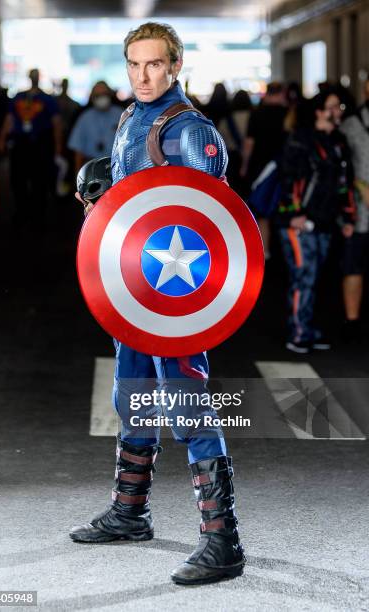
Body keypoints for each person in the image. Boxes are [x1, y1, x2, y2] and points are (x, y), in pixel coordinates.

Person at [70, 22, 246, 586]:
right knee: (133, 396)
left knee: (189, 406)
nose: (143, 76)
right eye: (134, 65)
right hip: (134, 293)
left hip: (175, 297)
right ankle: (130, 512)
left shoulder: (190, 128)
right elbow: (139, 201)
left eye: (154, 65)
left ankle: (223, 541)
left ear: (175, 65)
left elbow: (209, 221)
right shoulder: (132, 118)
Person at [276, 90, 355, 353]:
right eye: (333, 107)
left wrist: (347, 215)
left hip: (325, 221)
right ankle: (298, 332)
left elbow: (344, 183)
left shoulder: (338, 142)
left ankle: (307, 327)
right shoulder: (301, 139)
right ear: (319, 111)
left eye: (340, 106)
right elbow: (288, 179)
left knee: (317, 276)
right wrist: (294, 213)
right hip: (299, 222)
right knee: (304, 277)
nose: (339, 111)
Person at [0, 68, 63, 229]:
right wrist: (1, 140)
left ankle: (38, 215)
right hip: (21, 144)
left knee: (39, 181)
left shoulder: (47, 99)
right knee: (18, 180)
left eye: (35, 76)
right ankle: (21, 212)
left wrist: (58, 147)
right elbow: (9, 120)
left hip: (41, 144)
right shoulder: (19, 97)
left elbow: (56, 124)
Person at [240, 82, 289, 258]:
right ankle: (285, 251)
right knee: (282, 207)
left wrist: (244, 166)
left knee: (261, 209)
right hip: (283, 167)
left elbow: (249, 143)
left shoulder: (257, 114)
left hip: (260, 167)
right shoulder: (287, 114)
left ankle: (264, 251)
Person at [339, 80, 369, 341]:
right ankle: (352, 321)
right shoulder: (352, 124)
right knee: (353, 266)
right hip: (359, 212)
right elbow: (344, 169)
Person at [68, 81, 123, 174]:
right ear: (92, 97)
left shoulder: (122, 114)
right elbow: (78, 152)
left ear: (110, 95)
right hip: (91, 169)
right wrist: (78, 178)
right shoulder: (85, 118)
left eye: (104, 94)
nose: (101, 98)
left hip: (117, 168)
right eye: (97, 95)